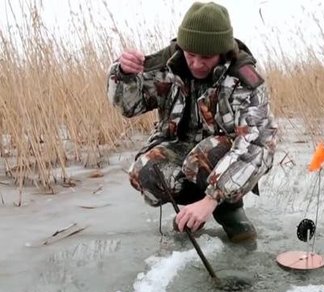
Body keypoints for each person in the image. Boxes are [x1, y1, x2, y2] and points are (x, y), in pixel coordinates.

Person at [106, 2, 277, 243]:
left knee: (201, 159)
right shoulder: (167, 64)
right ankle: (191, 214)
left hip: (220, 156)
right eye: (190, 55)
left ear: (221, 52)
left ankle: (229, 211)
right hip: (181, 148)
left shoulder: (243, 80)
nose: (196, 63)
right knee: (145, 172)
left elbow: (258, 144)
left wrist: (212, 198)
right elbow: (130, 106)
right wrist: (123, 73)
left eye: (205, 57)